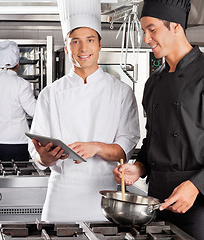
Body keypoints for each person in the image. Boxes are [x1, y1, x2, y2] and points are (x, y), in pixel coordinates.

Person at [113, 0, 204, 239]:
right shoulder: (153, 82)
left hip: (200, 204)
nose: (146, 39)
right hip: (157, 205)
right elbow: (153, 141)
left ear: (175, 26)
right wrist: (138, 167)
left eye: (152, 29)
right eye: (144, 31)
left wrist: (195, 187)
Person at [28, 0, 140, 222]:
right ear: (67, 47)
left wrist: (96, 147)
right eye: (75, 41)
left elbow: (125, 149)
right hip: (62, 195)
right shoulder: (50, 94)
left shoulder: (121, 92)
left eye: (90, 40)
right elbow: (37, 152)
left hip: (106, 197)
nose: (83, 49)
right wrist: (44, 158)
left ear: (100, 44)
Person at [0, 40, 36, 161]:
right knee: (17, 179)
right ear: (18, 63)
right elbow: (34, 112)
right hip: (16, 143)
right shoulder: (22, 84)